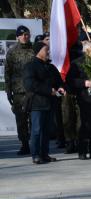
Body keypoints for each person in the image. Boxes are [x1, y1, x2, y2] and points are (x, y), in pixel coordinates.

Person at [23, 42, 65, 164]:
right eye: (46, 49)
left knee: (47, 130)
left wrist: (61, 87)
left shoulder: (51, 67)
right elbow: (30, 84)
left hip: (50, 103)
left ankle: (44, 154)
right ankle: (35, 155)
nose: (48, 52)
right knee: (36, 130)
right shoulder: (30, 66)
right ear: (39, 51)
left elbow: (59, 81)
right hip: (37, 103)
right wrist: (48, 90)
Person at [5, 25, 34, 156]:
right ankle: (24, 144)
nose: (24, 37)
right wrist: (8, 90)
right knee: (21, 120)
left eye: (26, 34)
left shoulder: (34, 49)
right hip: (18, 91)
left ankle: (36, 143)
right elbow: (8, 72)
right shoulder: (12, 52)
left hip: (33, 90)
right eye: (22, 35)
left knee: (35, 119)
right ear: (17, 37)